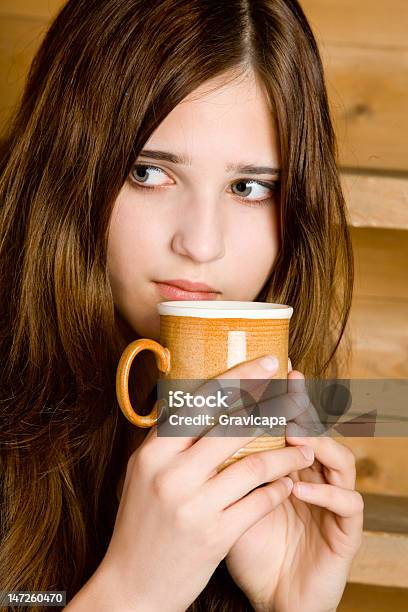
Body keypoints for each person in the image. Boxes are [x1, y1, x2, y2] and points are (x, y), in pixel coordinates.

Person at [0, 0, 364, 610]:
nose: (200, 244)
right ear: (67, 168)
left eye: (249, 188)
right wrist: (135, 591)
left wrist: (290, 604)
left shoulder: (278, 464)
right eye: (149, 172)